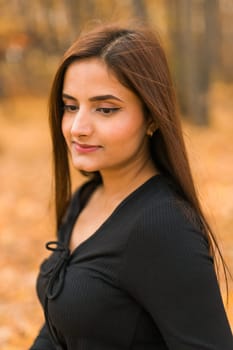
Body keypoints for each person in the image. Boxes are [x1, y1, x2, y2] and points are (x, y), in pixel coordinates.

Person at [30, 23, 233, 350]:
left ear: (152, 117)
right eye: (70, 106)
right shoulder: (86, 198)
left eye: (105, 109)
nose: (78, 127)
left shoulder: (163, 227)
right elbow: (57, 329)